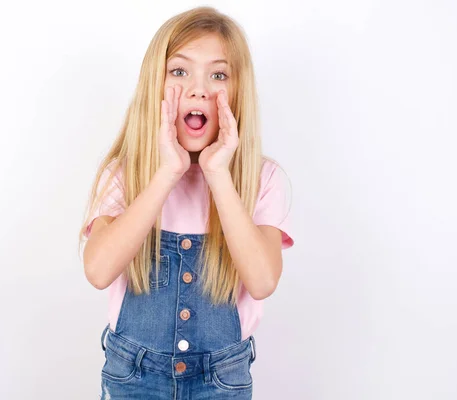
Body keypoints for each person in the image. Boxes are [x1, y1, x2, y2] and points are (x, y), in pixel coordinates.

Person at [79, 6, 294, 399]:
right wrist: (166, 173)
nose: (198, 89)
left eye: (218, 74)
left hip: (221, 382)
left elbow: (262, 281)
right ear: (155, 86)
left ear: (238, 90)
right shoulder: (125, 175)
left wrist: (218, 175)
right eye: (180, 71)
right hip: (133, 379)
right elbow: (97, 270)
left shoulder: (263, 179)